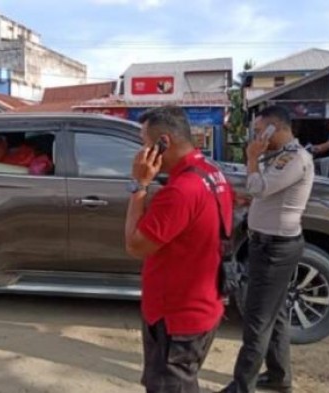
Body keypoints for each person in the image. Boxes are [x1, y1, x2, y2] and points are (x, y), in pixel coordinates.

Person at [124, 105, 234, 393]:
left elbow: (135, 245)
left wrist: (139, 185)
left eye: (145, 144)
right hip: (202, 304)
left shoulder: (182, 190)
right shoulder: (211, 173)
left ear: (164, 144)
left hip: (177, 316)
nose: (141, 152)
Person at [218, 106, 314, 393]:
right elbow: (265, 193)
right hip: (271, 244)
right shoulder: (282, 157)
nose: (257, 136)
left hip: (275, 249)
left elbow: (258, 187)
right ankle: (279, 376)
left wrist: (251, 158)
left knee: (257, 319)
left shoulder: (293, 158)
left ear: (276, 128)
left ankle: (241, 385)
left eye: (261, 131)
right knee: (276, 314)